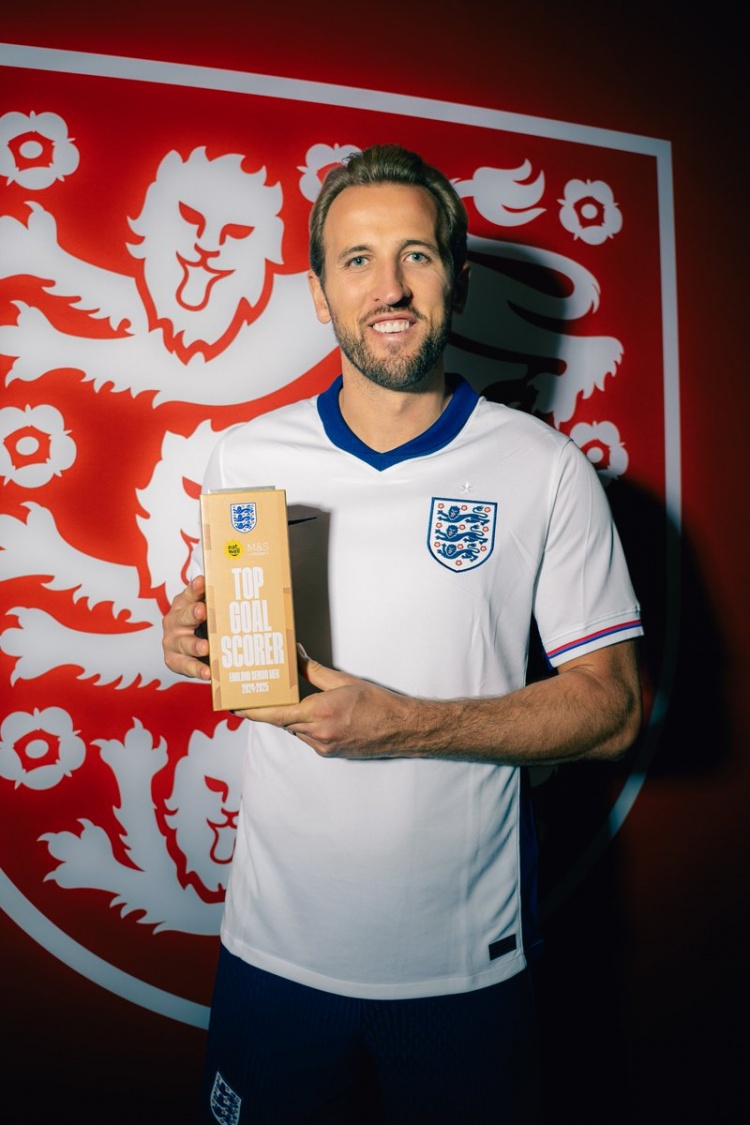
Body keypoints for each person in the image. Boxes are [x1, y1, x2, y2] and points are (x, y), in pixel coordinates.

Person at [163, 143, 643, 1124]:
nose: (387, 287)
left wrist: (406, 724)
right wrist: (190, 637)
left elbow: (615, 710)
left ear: (456, 279)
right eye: (356, 259)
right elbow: (242, 641)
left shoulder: (545, 468)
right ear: (318, 291)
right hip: (275, 953)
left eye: (415, 255)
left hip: (464, 968)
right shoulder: (246, 457)